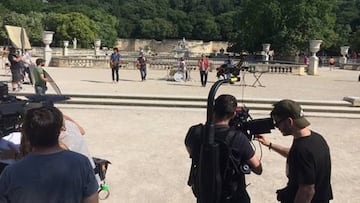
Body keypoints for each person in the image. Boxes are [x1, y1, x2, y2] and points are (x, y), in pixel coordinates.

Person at [0, 106, 99, 202]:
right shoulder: (81, 164)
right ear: (60, 131)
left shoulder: (11, 173)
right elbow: (92, 200)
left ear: (26, 133)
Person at [185, 94, 262, 203]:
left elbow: (191, 152)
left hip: (206, 194)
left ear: (213, 110)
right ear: (233, 114)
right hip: (232, 196)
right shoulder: (238, 138)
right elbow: (258, 169)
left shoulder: (195, 132)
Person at [256, 99, 333, 203]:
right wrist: (269, 144)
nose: (277, 127)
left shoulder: (302, 150)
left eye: (277, 122)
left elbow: (307, 190)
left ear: (289, 121)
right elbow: (294, 156)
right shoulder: (316, 139)